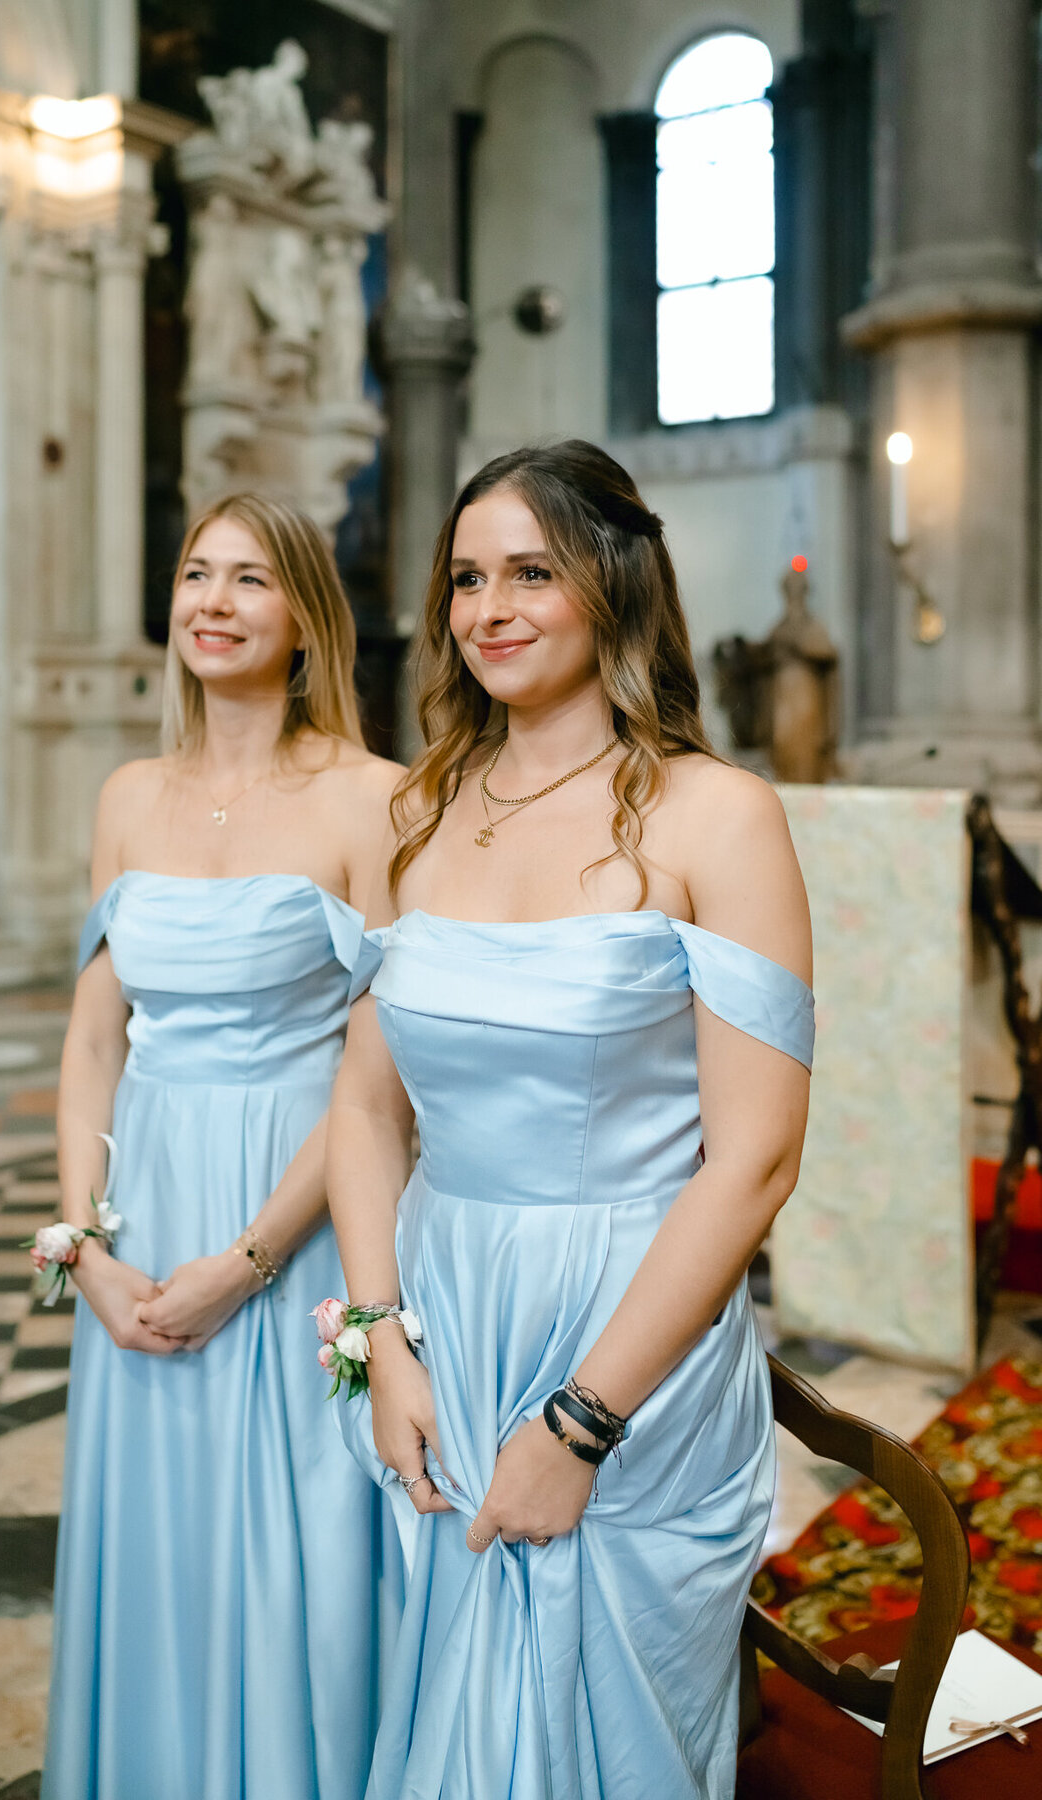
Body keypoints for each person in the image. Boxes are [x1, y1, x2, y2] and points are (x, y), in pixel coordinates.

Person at [327, 440, 814, 1799]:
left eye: (531, 571)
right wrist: (381, 1343)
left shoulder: (719, 817)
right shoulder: (419, 814)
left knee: (597, 1742)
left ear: (610, 582)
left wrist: (582, 1423)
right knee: (451, 1724)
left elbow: (758, 1155)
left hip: (626, 1338)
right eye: (467, 577)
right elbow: (365, 1111)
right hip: (449, 1322)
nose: (489, 607)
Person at [42, 494, 402, 1800]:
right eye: (198, 573)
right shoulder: (127, 796)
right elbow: (93, 1040)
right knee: (160, 1537)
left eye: (251, 580)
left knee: (291, 1540)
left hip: (293, 1213)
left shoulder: (375, 800)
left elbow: (382, 1086)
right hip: (143, 1218)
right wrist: (83, 1242)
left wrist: (247, 1262)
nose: (215, 601)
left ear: (305, 615)